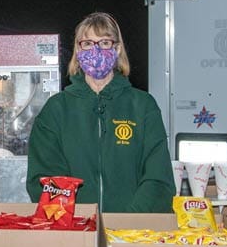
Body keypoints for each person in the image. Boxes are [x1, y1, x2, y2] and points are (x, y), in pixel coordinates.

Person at [27, 12, 173, 212]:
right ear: (78, 51)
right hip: (76, 231)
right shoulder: (56, 110)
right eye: (87, 43)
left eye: (104, 42)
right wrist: (77, 221)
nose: (95, 50)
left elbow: (158, 177)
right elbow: (44, 177)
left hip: (132, 232)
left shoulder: (143, 106)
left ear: (117, 48)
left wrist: (130, 222)